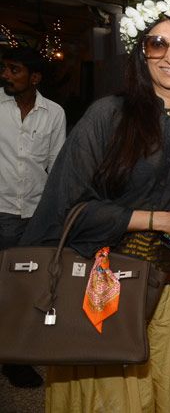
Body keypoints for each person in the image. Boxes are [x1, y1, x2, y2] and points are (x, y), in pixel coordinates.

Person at [20, 0, 170, 412]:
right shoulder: (108, 115)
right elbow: (67, 205)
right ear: (141, 53)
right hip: (108, 279)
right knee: (115, 398)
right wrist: (155, 219)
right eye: (157, 44)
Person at [0, 47, 66, 388]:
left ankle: (14, 358)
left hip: (36, 217)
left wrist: (54, 214)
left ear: (35, 77)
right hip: (1, 211)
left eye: (14, 70)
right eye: (5, 69)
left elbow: (57, 166)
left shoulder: (54, 114)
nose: (6, 75)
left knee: (26, 289)